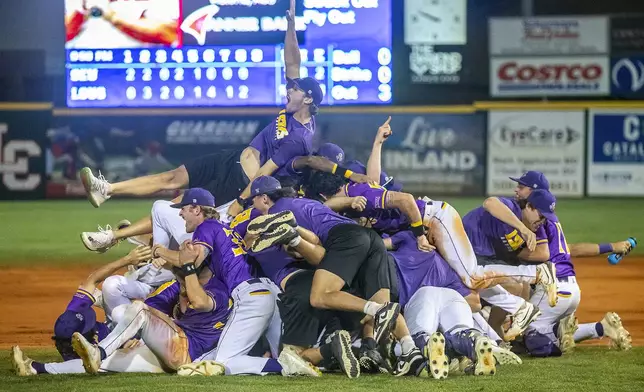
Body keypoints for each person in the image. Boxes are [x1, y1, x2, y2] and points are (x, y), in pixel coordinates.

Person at [11, 245, 166, 376]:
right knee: (128, 319)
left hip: (122, 324)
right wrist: (125, 343)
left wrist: (127, 259)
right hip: (136, 334)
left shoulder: (71, 316)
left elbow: (92, 279)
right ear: (80, 341)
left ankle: (124, 291)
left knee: (111, 287)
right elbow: (87, 365)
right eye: (90, 328)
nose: (94, 327)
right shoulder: (87, 358)